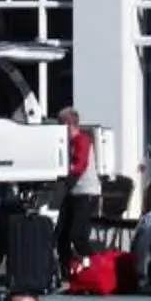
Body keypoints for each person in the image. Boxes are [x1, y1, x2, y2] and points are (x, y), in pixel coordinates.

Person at [56, 107, 100, 269]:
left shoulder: (82, 140)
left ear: (68, 125)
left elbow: (79, 165)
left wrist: (64, 170)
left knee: (78, 234)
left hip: (86, 192)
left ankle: (95, 264)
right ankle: (66, 268)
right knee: (61, 234)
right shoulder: (68, 143)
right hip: (73, 192)